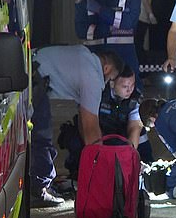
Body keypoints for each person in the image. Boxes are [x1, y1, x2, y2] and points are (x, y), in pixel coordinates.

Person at [31, 45, 124, 207]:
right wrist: (102, 172)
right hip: (34, 80)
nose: (107, 83)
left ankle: (37, 184)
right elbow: (91, 127)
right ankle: (39, 189)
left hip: (29, 68)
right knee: (42, 136)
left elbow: (83, 122)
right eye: (111, 78)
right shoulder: (93, 75)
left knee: (37, 133)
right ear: (107, 68)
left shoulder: (83, 55)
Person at [61, 64, 154, 176]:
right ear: (112, 83)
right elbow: (85, 123)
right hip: (96, 133)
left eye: (132, 85)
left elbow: (134, 129)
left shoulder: (135, 99)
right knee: (75, 141)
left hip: (119, 137)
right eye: (125, 86)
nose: (130, 90)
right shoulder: (96, 93)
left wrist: (128, 158)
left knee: (141, 149)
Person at [75, 0, 143, 89]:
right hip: (95, 58)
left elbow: (128, 24)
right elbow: (80, 31)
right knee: (92, 102)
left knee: (131, 98)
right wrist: (115, 23)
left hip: (125, 58)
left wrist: (100, 11)